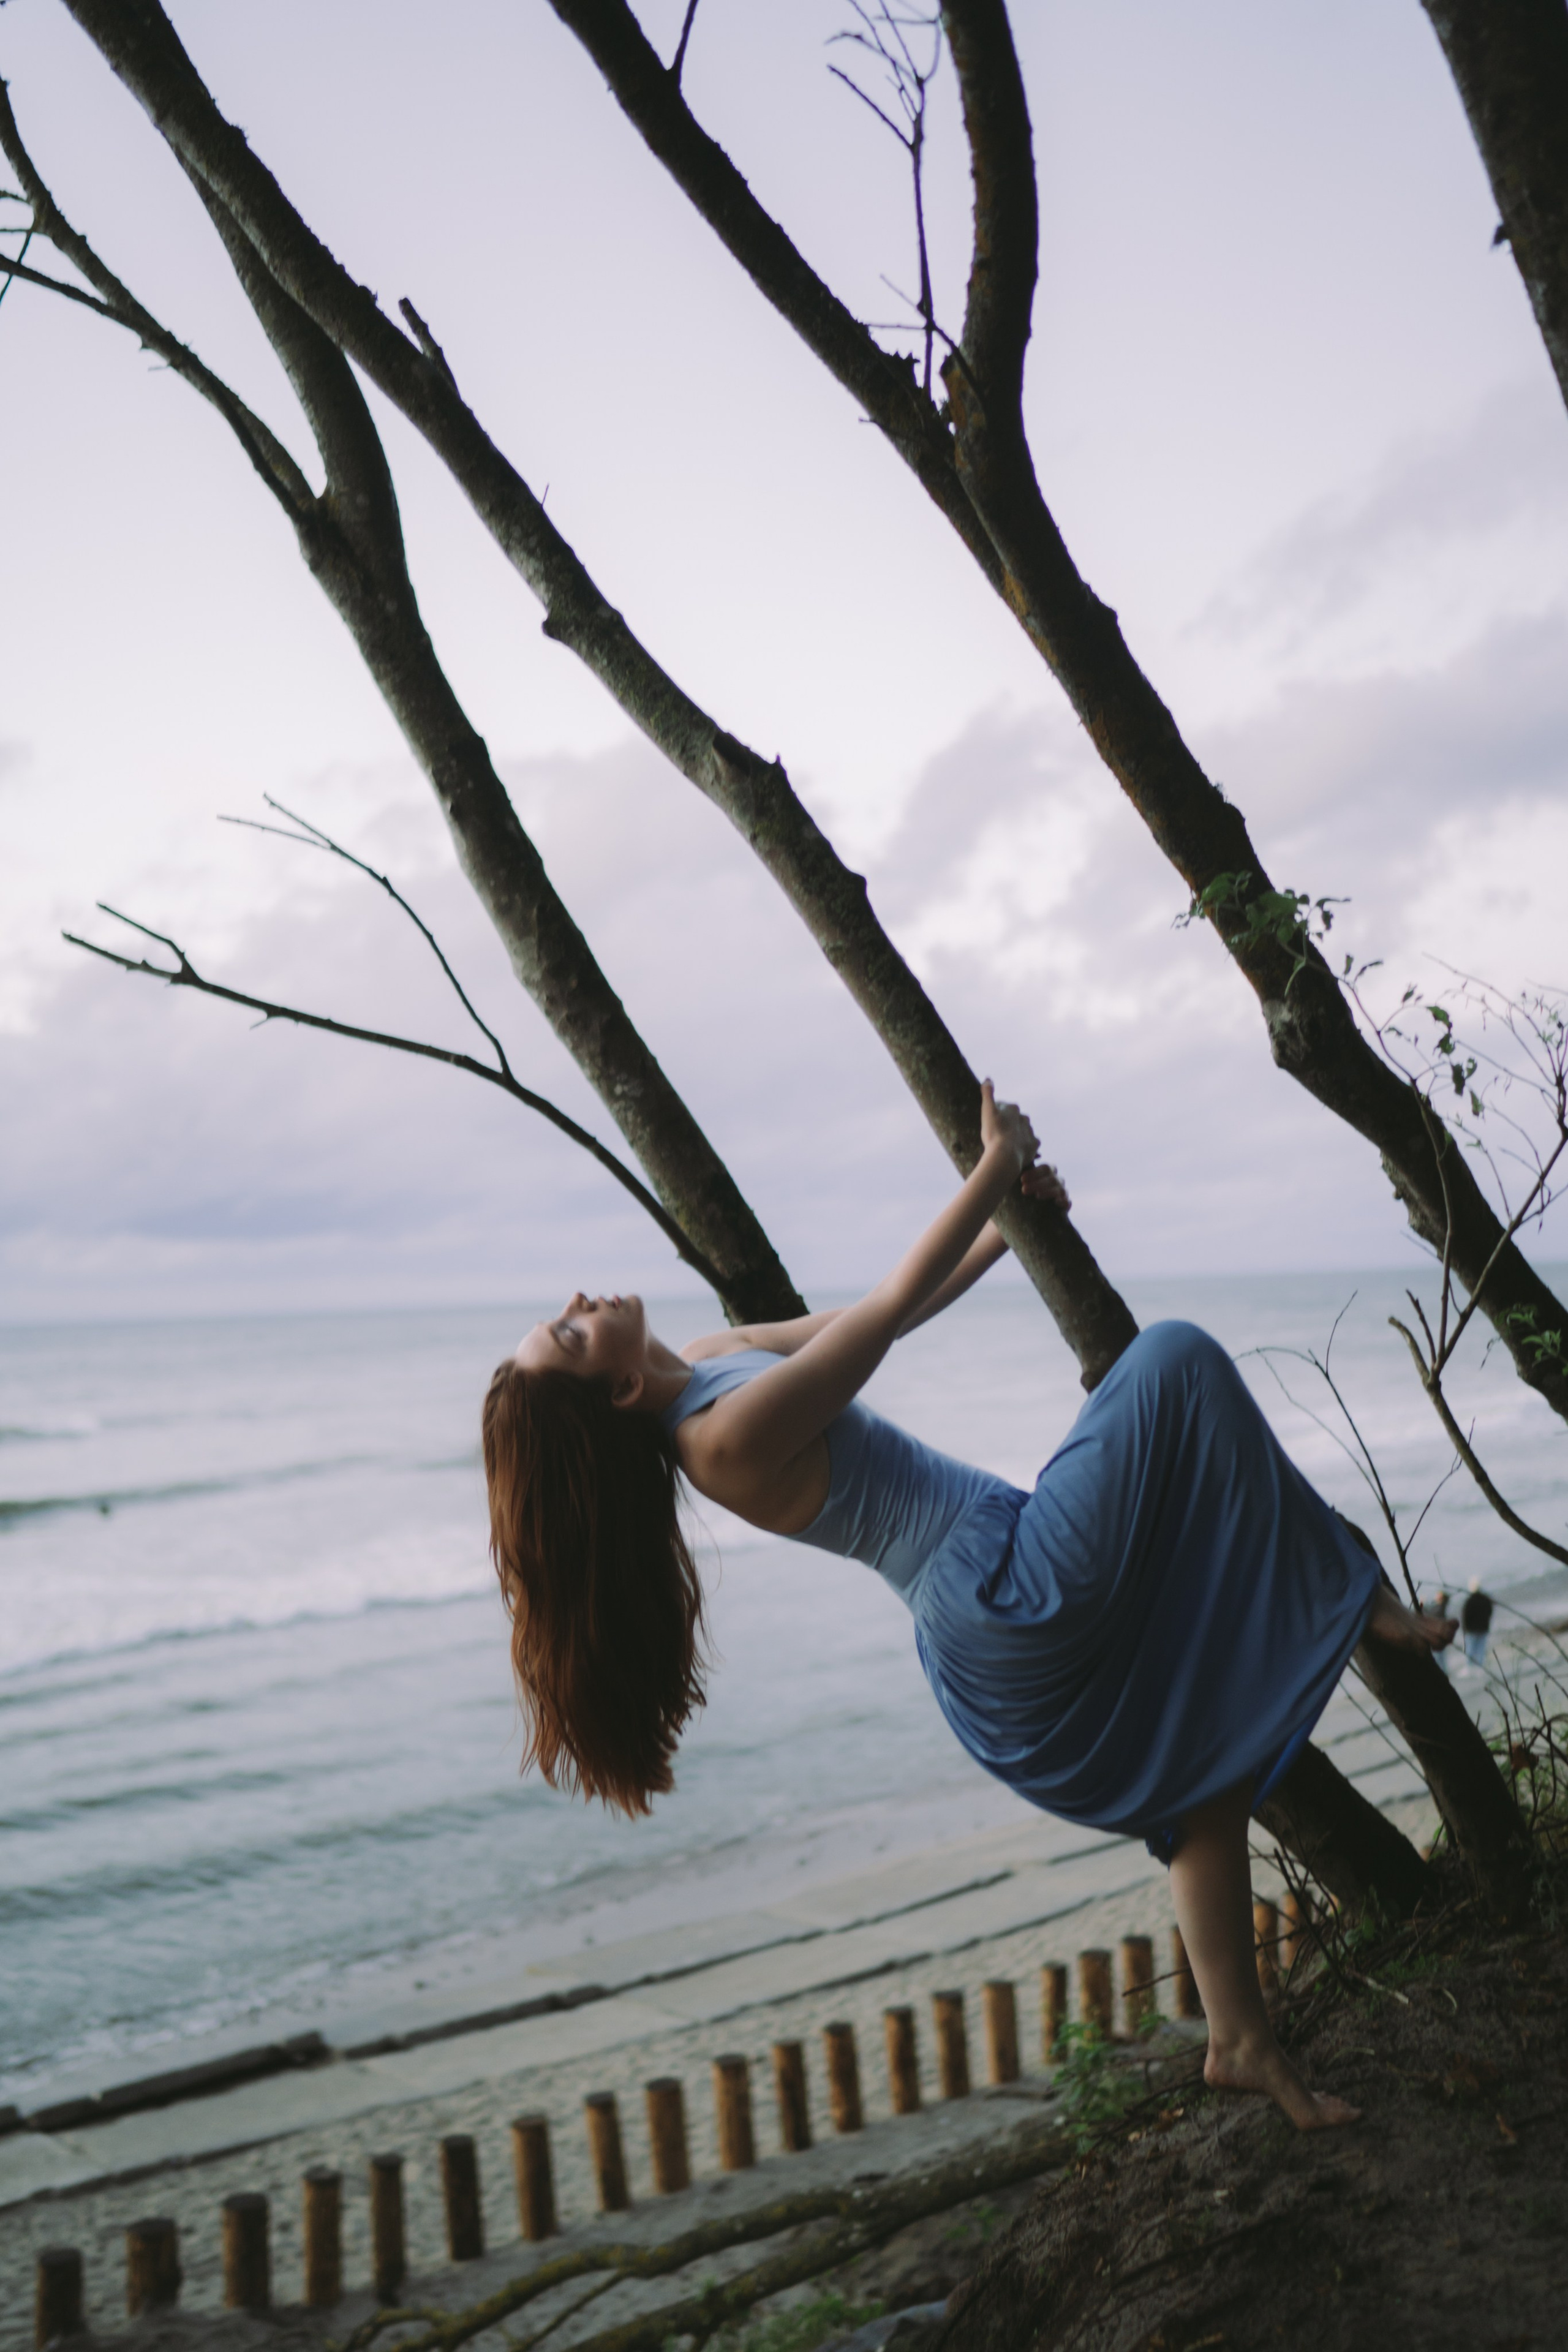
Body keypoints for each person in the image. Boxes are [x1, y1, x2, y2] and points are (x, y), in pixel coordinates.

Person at [483, 1085, 1456, 2133]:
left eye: (566, 1314)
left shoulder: (711, 1361)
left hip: (999, 1574)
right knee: (1174, 1359)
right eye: (570, 1332)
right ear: (618, 1393)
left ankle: (1238, 2041)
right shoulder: (719, 1442)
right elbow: (884, 1319)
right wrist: (992, 1164)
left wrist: (1007, 1229)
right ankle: (1356, 1605)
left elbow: (887, 1304)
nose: (582, 1302)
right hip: (994, 1593)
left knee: (1203, 1769)